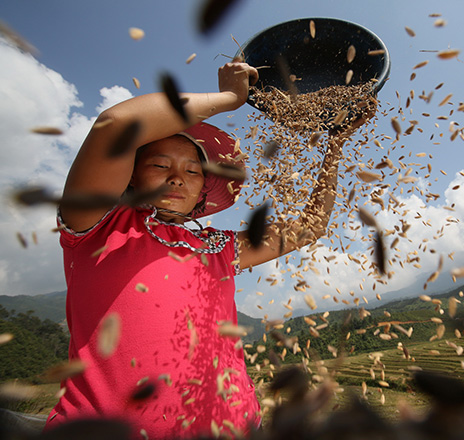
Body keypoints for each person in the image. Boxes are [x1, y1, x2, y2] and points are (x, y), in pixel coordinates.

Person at [43, 62, 370, 439]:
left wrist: (335, 143)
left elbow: (308, 227)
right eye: (159, 164)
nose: (177, 177)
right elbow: (115, 125)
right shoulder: (98, 228)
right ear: (132, 176)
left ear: (202, 189)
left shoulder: (216, 247)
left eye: (193, 171)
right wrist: (229, 98)